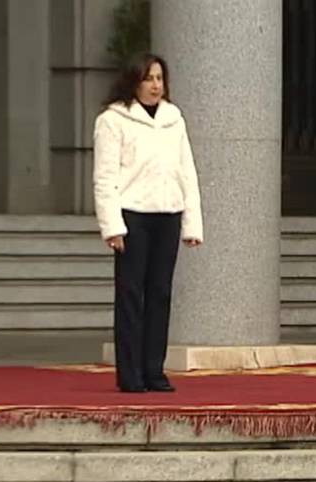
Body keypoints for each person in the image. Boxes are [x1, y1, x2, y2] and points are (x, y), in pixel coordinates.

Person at [93, 53, 203, 393]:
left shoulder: (174, 118)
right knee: (130, 295)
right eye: (149, 78)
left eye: (159, 78)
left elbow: (187, 172)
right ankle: (131, 374)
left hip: (167, 214)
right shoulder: (113, 121)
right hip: (132, 216)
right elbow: (105, 177)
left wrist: (192, 224)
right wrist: (112, 226)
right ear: (134, 82)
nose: (156, 85)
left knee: (160, 294)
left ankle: (154, 370)